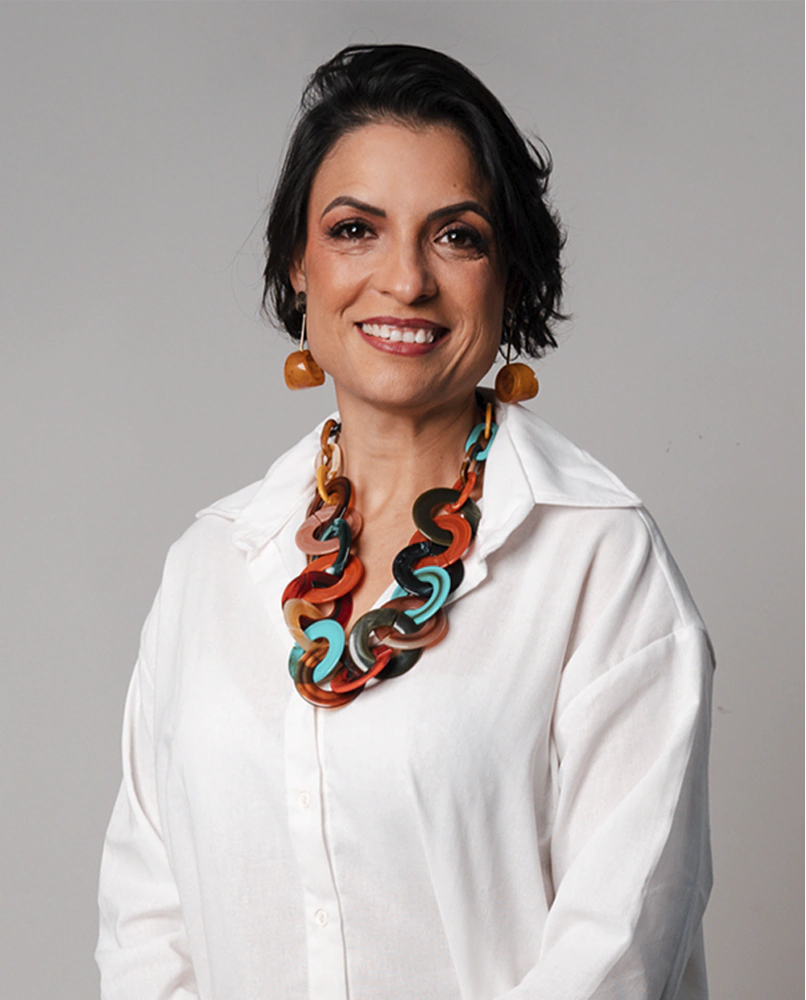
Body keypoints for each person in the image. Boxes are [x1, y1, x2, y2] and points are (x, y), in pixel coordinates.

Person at [96, 44, 713, 1000]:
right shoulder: (207, 565)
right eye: (355, 230)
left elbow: (618, 943)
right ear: (298, 264)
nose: (406, 280)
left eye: (456, 236)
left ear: (510, 274)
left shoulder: (599, 558)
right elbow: (148, 921)